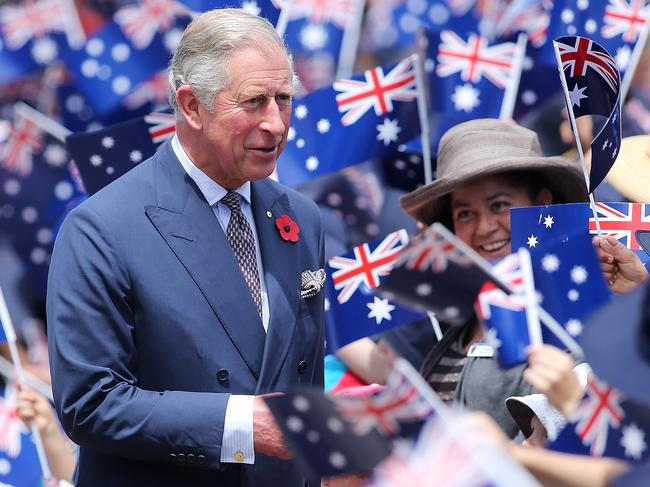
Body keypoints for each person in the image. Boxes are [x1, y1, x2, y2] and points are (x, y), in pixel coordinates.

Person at [47, 9, 325, 486]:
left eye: (284, 99)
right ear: (192, 106)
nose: (276, 124)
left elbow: (302, 382)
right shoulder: (102, 228)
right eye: (255, 102)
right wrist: (239, 425)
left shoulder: (300, 217)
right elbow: (90, 403)